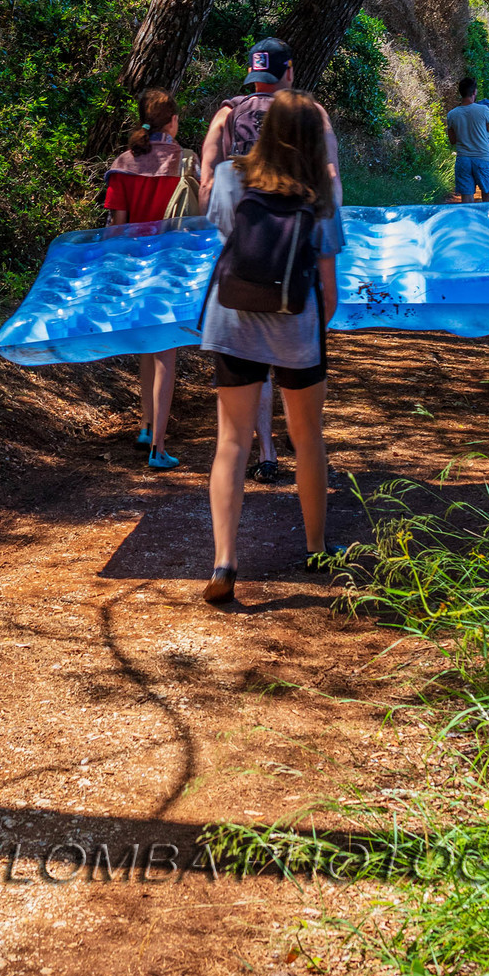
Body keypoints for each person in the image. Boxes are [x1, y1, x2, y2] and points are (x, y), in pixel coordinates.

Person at [198, 90, 345, 604]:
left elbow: (223, 235)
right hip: (295, 324)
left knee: (232, 440)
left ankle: (223, 561)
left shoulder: (233, 177)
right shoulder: (319, 190)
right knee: (307, 437)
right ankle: (316, 547)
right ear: (309, 136)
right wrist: (306, 326)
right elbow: (328, 288)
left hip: (232, 318)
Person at [200, 39, 344, 488]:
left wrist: (238, 224)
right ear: (289, 72)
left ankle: (264, 451)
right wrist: (319, 227)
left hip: (240, 253)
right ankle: (299, 446)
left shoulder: (226, 114)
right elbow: (332, 177)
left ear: (251, 74)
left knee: (246, 357)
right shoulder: (309, 113)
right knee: (292, 354)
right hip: (295, 256)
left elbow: (207, 183)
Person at [104, 88, 199, 471]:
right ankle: (159, 447)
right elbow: (201, 220)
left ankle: (145, 425)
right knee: (165, 354)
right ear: (173, 121)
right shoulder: (187, 162)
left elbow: (116, 226)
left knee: (147, 347)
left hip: (133, 267)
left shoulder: (124, 162)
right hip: (172, 267)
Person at [445, 75, 489, 202]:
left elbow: (453, 140)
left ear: (460, 92)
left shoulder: (452, 114)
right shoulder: (483, 110)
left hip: (463, 159)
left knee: (466, 196)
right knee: (487, 194)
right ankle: (486, 220)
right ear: (474, 92)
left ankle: (468, 221)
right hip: (482, 158)